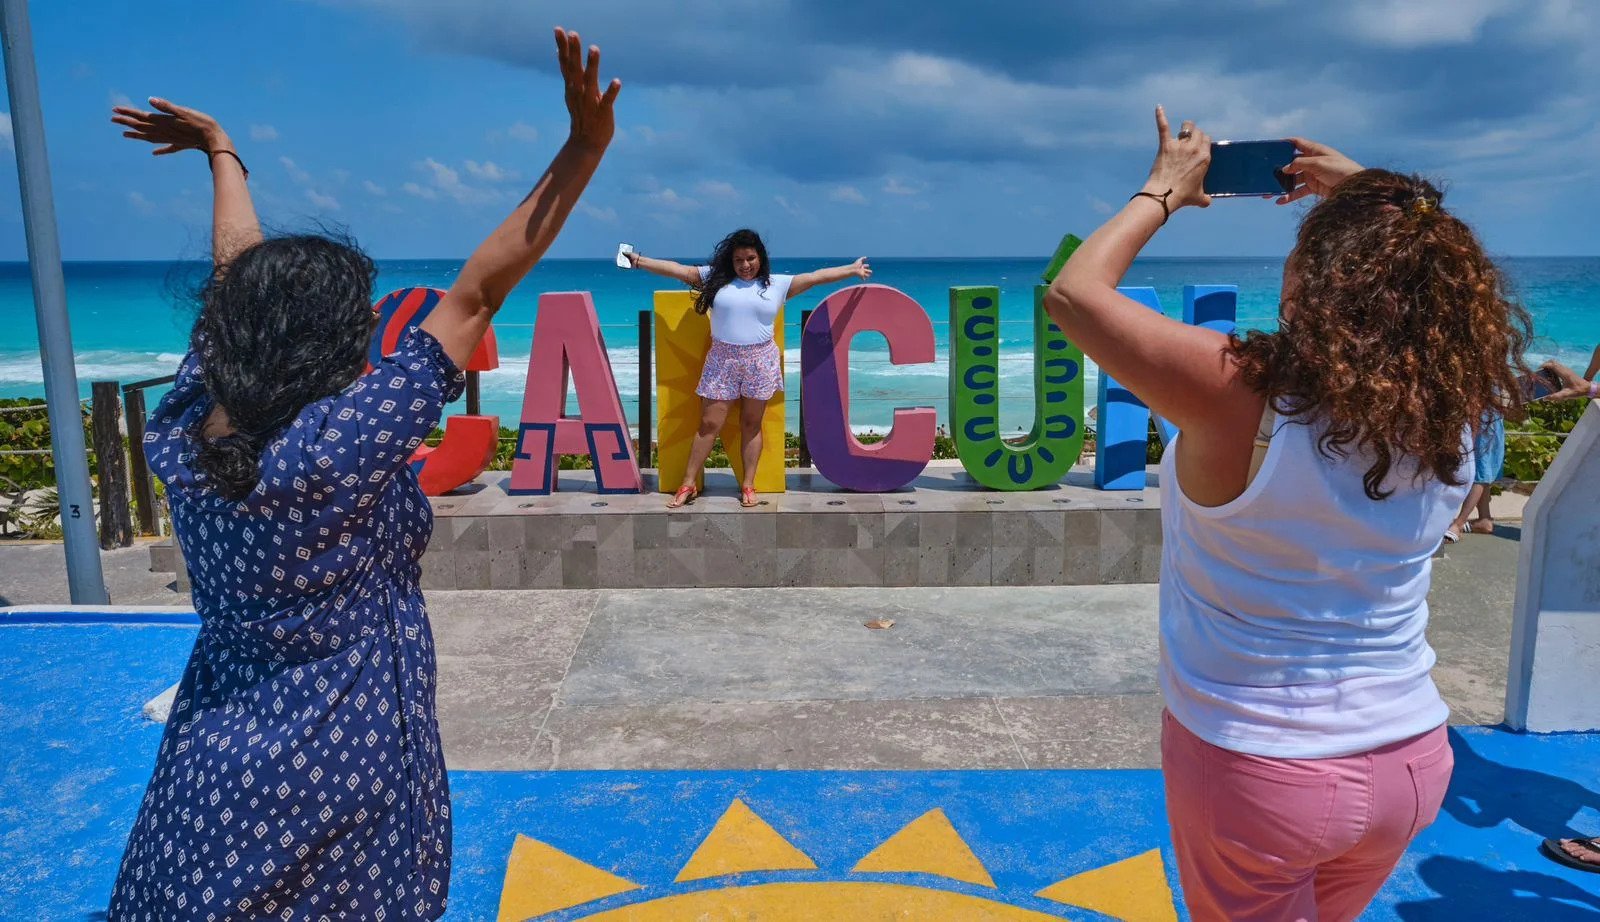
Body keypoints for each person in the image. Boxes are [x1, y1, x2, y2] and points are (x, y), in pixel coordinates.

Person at [104, 28, 618, 919]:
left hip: (213, 760)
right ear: (331, 344)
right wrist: (583, 149)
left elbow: (235, 282)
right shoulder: (337, 446)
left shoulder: (185, 424)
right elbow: (479, 293)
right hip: (341, 755)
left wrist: (223, 154)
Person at [1046, 113, 1531, 921]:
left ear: (1316, 281)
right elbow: (1427, 260)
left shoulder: (1242, 395)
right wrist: (1377, 196)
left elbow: (1074, 294)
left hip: (1261, 770)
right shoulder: (1454, 403)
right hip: (1412, 760)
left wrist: (1162, 190)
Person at [626, 230, 870, 507]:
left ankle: (748, 485)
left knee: (752, 424)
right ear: (730, 260)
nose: (745, 265)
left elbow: (815, 277)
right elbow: (677, 270)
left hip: (761, 361)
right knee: (709, 424)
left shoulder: (777, 284)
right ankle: (688, 483)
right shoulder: (714, 279)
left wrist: (851, 269)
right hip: (722, 360)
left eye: (750, 258)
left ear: (760, 258)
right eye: (739, 259)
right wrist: (638, 261)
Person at [1445, 409, 1504, 542]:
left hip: (1483, 418)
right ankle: (1484, 518)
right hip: (1487, 417)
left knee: (1480, 472)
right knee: (1482, 469)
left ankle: (1458, 524)